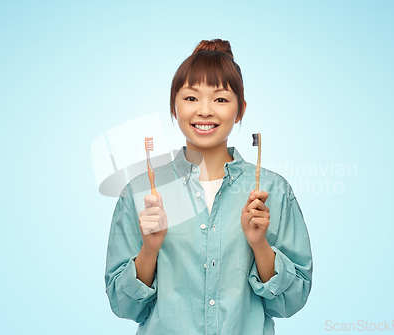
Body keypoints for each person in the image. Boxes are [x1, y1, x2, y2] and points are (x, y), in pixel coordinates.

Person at [104, 38, 313, 335]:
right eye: (191, 98)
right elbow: (124, 307)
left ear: (240, 109)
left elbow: (291, 302)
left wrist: (260, 245)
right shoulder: (141, 194)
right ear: (173, 107)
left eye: (220, 99)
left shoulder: (273, 190)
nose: (204, 111)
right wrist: (149, 250)